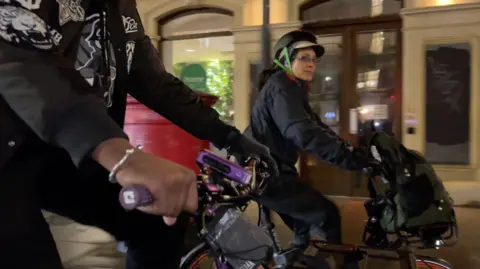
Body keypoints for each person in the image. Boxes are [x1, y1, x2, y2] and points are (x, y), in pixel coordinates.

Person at [0, 1, 278, 268]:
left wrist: (230, 138)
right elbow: (17, 49)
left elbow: (157, 84)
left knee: (162, 220)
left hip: (65, 155)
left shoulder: (121, 10)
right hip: (11, 150)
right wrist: (118, 153)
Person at [245, 30, 378, 268]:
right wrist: (348, 159)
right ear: (285, 59)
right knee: (325, 215)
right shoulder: (281, 86)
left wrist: (349, 149)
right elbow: (301, 132)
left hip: (272, 169)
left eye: (314, 60)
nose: (311, 64)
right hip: (267, 173)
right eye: (304, 58)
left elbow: (315, 126)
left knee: (305, 226)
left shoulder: (292, 88)